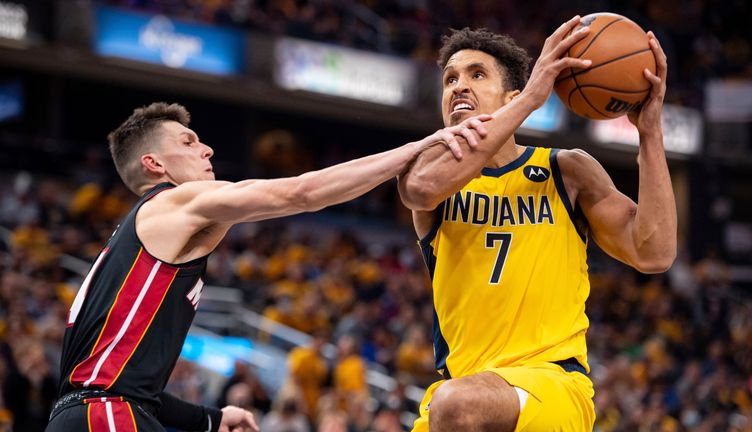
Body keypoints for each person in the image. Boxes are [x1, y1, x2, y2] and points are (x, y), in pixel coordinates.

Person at [45, 101, 490, 432]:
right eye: (188, 141)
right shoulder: (173, 202)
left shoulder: (140, 237)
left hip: (88, 413)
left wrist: (211, 418)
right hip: (103, 415)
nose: (206, 147)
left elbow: (133, 389)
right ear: (154, 164)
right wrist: (417, 147)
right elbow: (301, 192)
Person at [397, 16, 676, 431]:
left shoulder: (567, 170)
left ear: (510, 95)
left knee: (457, 405)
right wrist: (530, 100)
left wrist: (650, 133)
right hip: (461, 394)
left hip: (552, 386)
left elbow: (654, 252)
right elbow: (420, 190)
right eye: (450, 78)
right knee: (454, 403)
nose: (458, 86)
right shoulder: (430, 172)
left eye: (476, 75)